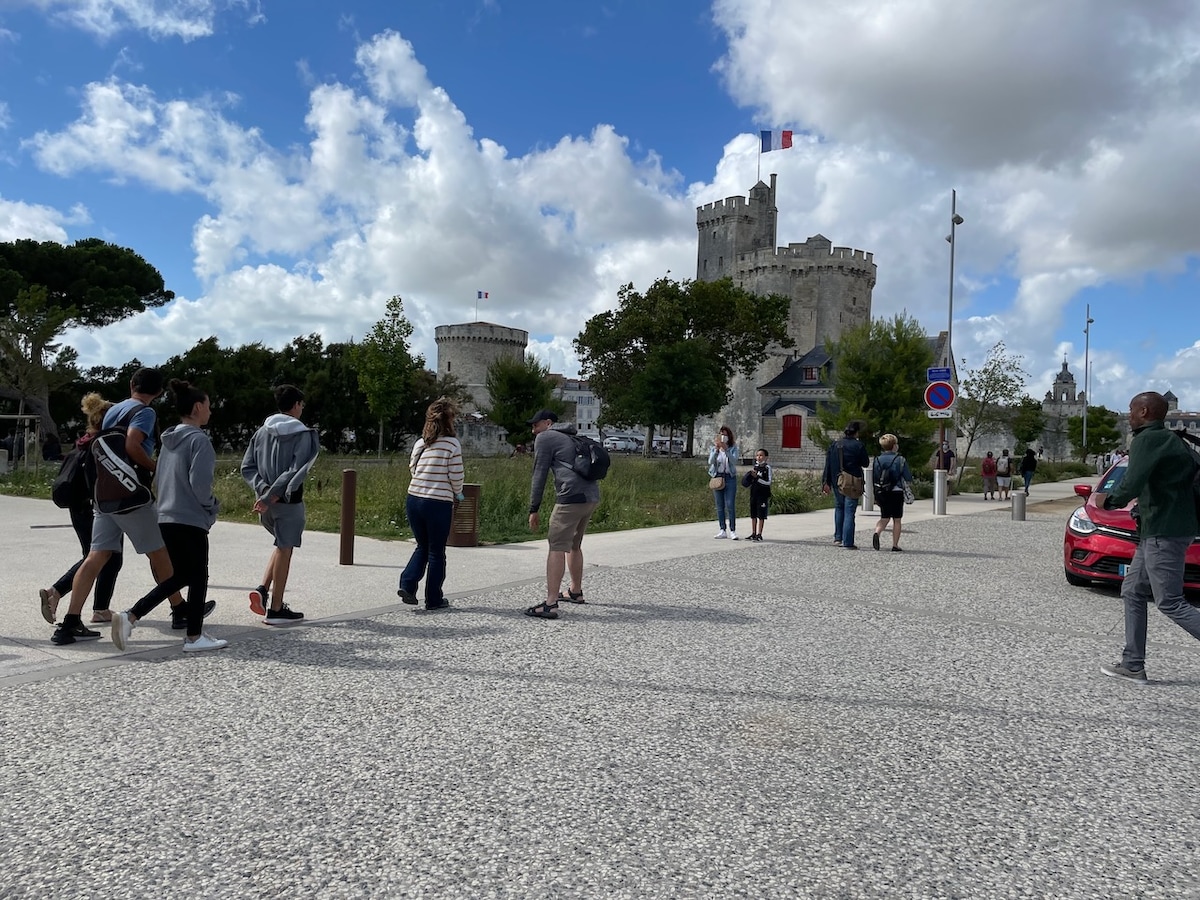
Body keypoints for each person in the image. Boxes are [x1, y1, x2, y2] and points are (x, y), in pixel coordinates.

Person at [51, 368, 181, 646]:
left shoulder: (113, 411)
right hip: (131, 496)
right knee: (159, 554)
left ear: (131, 384)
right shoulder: (145, 412)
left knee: (95, 556)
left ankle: (70, 622)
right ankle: (179, 609)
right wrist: (156, 467)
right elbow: (133, 444)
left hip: (104, 495)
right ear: (158, 392)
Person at [111, 380, 226, 652]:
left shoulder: (168, 441)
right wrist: (212, 505)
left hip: (165, 516)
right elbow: (199, 485)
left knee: (181, 575)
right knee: (198, 576)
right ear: (198, 407)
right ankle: (194, 637)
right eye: (208, 407)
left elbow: (159, 479)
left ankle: (132, 616)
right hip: (190, 518)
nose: (210, 412)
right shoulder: (200, 441)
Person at [1097, 391, 1200, 684]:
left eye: (1131, 409)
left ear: (1144, 411)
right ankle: (1133, 664)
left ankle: (1132, 663)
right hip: (1160, 530)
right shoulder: (1171, 439)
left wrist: (1110, 500)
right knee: (1132, 590)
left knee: (1170, 602)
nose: (1128, 414)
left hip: (1163, 530)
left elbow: (1132, 482)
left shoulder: (1147, 439)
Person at [39, 394, 126, 625]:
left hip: (79, 506)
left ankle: (100, 608)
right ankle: (55, 592)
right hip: (96, 507)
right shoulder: (105, 444)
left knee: (106, 557)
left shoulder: (85, 441)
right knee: (97, 556)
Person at [241, 384, 320, 625]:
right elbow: (296, 471)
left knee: (280, 545)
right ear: (296, 405)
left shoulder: (261, 432)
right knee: (286, 549)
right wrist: (273, 494)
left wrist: (263, 492)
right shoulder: (303, 434)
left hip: (264, 504)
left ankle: (263, 589)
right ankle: (276, 609)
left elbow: (247, 466)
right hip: (287, 501)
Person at [524, 409, 600, 620]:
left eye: (535, 425)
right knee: (574, 545)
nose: (533, 430)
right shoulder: (572, 436)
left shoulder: (546, 437)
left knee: (556, 546)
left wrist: (534, 508)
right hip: (591, 496)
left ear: (547, 423)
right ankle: (575, 592)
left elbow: (538, 474)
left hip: (571, 498)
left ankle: (550, 604)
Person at [397, 397, 465, 612]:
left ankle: (407, 583)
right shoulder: (452, 444)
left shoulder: (421, 443)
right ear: (450, 420)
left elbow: (413, 468)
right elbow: (456, 475)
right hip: (438, 502)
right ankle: (434, 598)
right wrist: (459, 494)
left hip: (414, 498)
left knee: (422, 545)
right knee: (437, 551)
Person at [821, 420, 869, 549]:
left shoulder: (834, 445)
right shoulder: (858, 445)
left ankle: (838, 538)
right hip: (852, 482)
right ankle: (848, 542)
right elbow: (865, 463)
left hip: (837, 481)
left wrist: (826, 482)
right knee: (849, 511)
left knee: (839, 508)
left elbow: (828, 464)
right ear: (856, 432)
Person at [871, 433, 913, 552]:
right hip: (896, 491)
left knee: (884, 517)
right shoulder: (900, 459)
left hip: (881, 491)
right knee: (897, 519)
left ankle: (877, 532)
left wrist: (875, 494)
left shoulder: (877, 460)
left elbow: (874, 477)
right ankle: (895, 544)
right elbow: (908, 477)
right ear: (894, 445)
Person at [708, 425, 740, 540]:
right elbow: (710, 461)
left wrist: (726, 450)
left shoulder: (733, 448)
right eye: (721, 434)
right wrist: (717, 450)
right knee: (720, 505)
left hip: (729, 477)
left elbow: (734, 460)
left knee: (730, 504)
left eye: (725, 435)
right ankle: (722, 529)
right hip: (718, 477)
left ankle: (732, 530)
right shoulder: (714, 448)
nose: (723, 437)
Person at [745, 448, 772, 542]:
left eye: (761, 455)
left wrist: (758, 478)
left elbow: (768, 482)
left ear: (766, 457)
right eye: (757, 455)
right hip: (754, 492)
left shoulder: (767, 468)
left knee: (761, 514)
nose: (759, 457)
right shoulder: (755, 467)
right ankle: (753, 532)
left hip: (762, 494)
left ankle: (759, 533)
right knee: (753, 514)